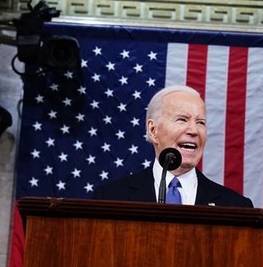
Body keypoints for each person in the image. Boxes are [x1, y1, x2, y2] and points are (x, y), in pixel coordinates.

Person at [92, 85, 253, 208]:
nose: (194, 130)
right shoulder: (110, 198)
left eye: (200, 122)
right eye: (182, 119)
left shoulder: (235, 206)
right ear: (153, 130)